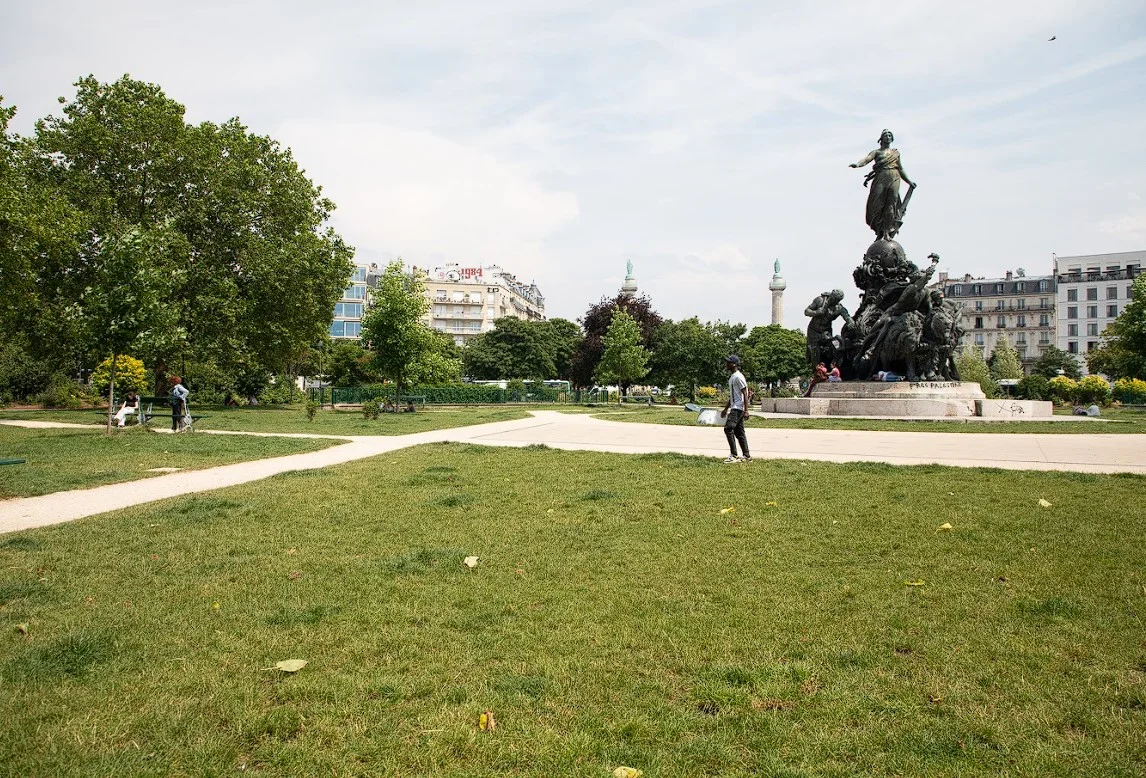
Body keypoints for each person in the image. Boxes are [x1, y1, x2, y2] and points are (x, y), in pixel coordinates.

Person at [849, 129, 917, 240]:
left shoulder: (895, 153)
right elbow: (866, 159)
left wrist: (909, 181)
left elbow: (900, 168)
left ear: (892, 138)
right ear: (881, 138)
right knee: (878, 204)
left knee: (891, 204)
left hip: (894, 176)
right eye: (885, 135)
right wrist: (857, 165)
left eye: (890, 135)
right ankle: (879, 231)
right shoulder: (876, 152)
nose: (888, 136)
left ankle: (887, 231)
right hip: (881, 177)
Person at [720, 355, 751, 463]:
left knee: (728, 429)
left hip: (738, 408)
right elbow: (733, 396)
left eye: (728, 363)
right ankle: (747, 456)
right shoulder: (733, 377)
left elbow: (745, 393)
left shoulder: (738, 377)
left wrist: (746, 410)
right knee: (739, 432)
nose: (726, 364)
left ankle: (734, 455)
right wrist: (725, 409)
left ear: (734, 364)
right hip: (735, 407)